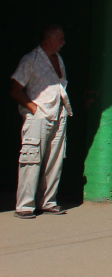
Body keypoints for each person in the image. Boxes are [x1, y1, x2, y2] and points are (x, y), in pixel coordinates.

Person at [10, 25, 70, 219]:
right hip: (38, 116)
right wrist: (35, 109)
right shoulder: (31, 59)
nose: (63, 43)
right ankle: (25, 206)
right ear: (49, 40)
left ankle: (48, 202)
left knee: (55, 159)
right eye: (60, 39)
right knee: (31, 159)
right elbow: (15, 89)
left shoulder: (58, 59)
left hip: (58, 113)